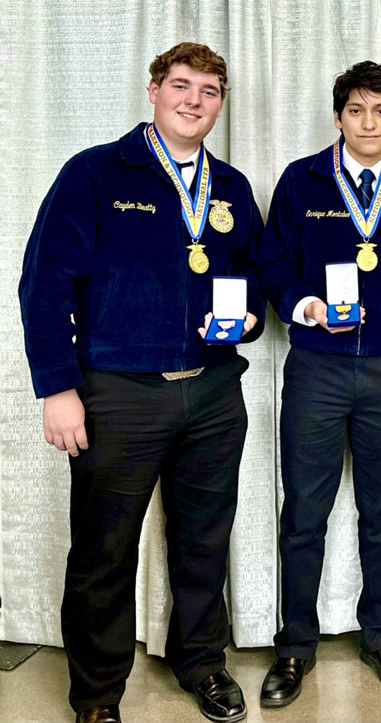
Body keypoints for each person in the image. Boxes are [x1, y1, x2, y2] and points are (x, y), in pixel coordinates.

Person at [19, 42, 265, 723]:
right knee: (104, 548)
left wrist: (246, 317)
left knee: (203, 540)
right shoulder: (95, 173)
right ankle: (97, 694)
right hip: (119, 394)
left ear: (220, 102)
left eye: (209, 90)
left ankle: (203, 662)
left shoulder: (234, 189)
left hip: (214, 391)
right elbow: (43, 287)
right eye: (180, 85)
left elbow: (248, 283)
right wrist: (58, 387)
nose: (194, 100)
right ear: (153, 90)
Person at [257, 61, 381, 706]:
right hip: (317, 365)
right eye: (356, 111)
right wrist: (304, 306)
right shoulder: (302, 179)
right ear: (338, 116)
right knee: (305, 510)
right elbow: (274, 261)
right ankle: (293, 645)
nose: (369, 123)